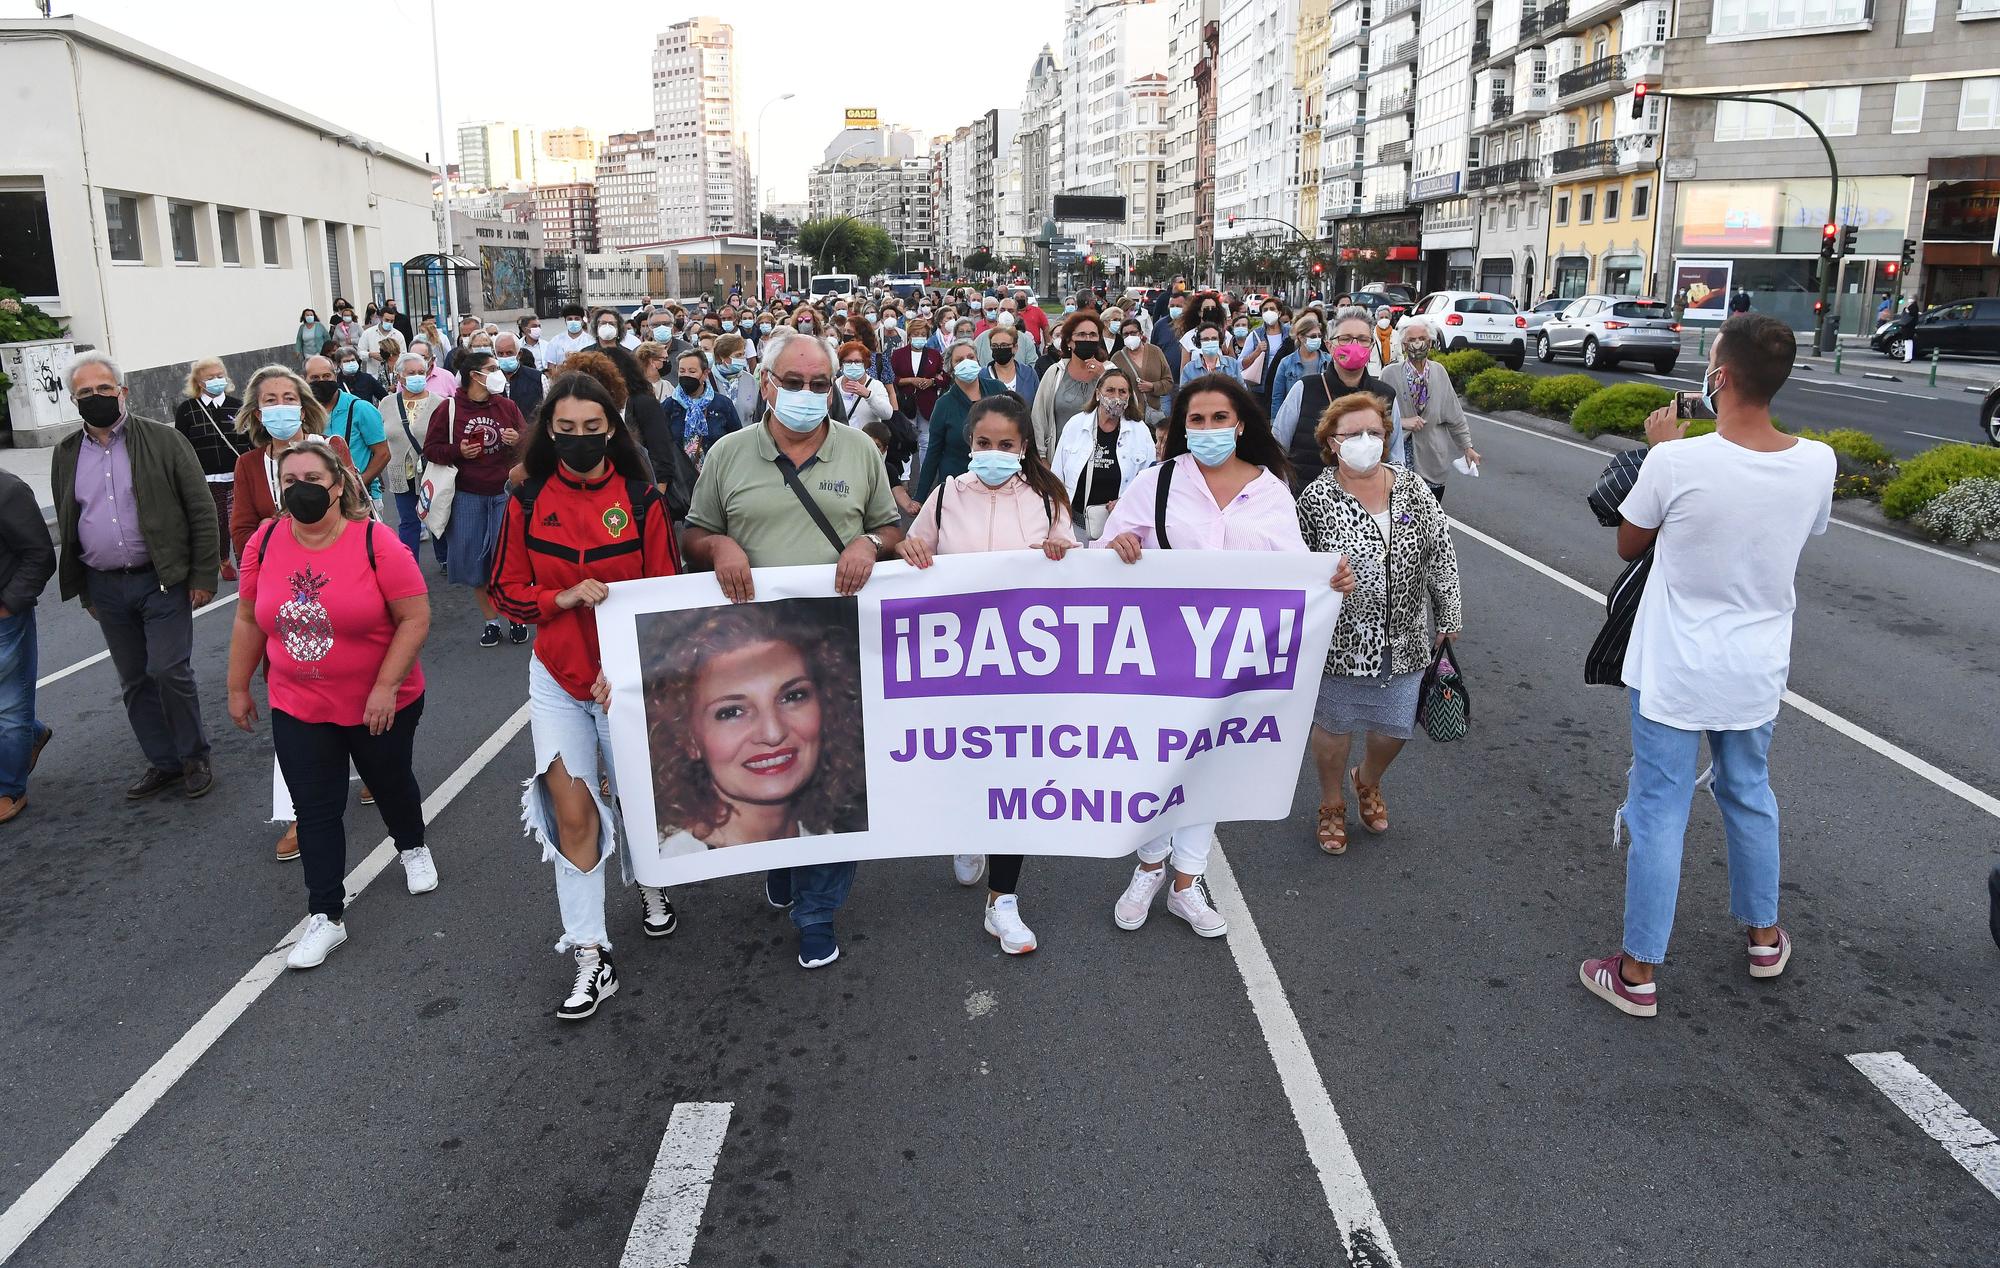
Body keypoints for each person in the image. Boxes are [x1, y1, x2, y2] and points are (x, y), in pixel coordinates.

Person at [1580, 313, 1834, 1018]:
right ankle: (1762, 936)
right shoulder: (1817, 462)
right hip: (1755, 667)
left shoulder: (1677, 460)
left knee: (1659, 810)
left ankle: (1636, 973)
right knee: (1748, 792)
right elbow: (1799, 528)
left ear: (1720, 377)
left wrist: (1660, 448)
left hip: (1674, 667)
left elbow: (1631, 544)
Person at [679, 329, 905, 969]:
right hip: (748, 656)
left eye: (819, 384)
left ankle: (816, 911)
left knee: (835, 785)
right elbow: (695, 533)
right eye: (794, 382)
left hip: (836, 650)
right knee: (773, 780)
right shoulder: (727, 455)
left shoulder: (860, 451)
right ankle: (780, 860)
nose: (807, 395)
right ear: (767, 381)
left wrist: (871, 545)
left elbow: (889, 527)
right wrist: (718, 547)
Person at [490, 372, 680, 1019]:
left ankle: (651, 880)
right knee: (571, 811)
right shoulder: (526, 499)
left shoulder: (641, 499)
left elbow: (665, 600)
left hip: (623, 682)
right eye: (564, 431)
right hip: (558, 680)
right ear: (548, 432)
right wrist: (560, 598)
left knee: (635, 798)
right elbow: (506, 590)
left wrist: (628, 670)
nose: (577, 442)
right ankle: (590, 953)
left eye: (590, 431)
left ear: (612, 432)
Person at [1098, 375, 1313, 939]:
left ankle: (1186, 884)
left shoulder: (1270, 490)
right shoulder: (1157, 483)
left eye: (1221, 419)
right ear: (1181, 427)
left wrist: (1330, 579)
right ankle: (1148, 866)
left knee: (1207, 765)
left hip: (1232, 662)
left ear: (1241, 424)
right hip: (1159, 654)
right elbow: (1105, 557)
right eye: (1197, 420)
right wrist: (1119, 547)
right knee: (1155, 762)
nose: (1210, 429)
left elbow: (1295, 574)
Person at [226, 438, 434, 969]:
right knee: (314, 809)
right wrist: (236, 685)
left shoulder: (376, 542)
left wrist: (386, 686)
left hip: (378, 702)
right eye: (290, 482)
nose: (301, 491)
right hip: (299, 702)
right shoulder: (266, 542)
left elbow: (414, 617)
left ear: (338, 487)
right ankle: (325, 916)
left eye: (313, 481)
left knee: (389, 782)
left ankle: (411, 844)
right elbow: (250, 617)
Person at [897, 394, 1076, 953]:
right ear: (968, 444)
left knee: (1014, 778)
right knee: (963, 762)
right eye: (983, 444)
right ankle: (966, 826)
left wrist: (1061, 549)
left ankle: (1004, 901)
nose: (994, 453)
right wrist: (909, 551)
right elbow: (912, 553)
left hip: (1024, 669)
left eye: (1006, 445)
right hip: (955, 667)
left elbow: (1078, 570)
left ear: (1024, 447)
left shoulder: (1046, 500)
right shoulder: (947, 496)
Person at [1295, 393, 1459, 855]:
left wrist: (1448, 615)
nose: (1365, 441)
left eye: (1375, 432)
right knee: (1333, 727)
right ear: (1331, 442)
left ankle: (1367, 779)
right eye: (1352, 434)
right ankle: (1331, 803)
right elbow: (1297, 564)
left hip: (1406, 636)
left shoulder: (1412, 488)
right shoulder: (1316, 497)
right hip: (1340, 640)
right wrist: (1326, 579)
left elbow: (1439, 553)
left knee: (1394, 730)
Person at [50, 351, 220, 799]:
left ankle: (193, 755)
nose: (96, 397)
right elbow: (70, 521)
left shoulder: (163, 440)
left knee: (168, 670)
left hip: (161, 578)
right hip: (105, 585)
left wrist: (203, 574)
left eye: (104, 389)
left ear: (123, 391)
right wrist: (82, 588)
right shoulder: (66, 453)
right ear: (74, 400)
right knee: (134, 680)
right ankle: (163, 762)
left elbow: (200, 508)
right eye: (85, 392)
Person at [423, 349, 526, 647]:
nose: (498, 373)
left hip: (504, 493)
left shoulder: (506, 405)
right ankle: (490, 621)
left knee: (507, 560)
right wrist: (458, 451)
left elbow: (527, 442)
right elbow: (431, 449)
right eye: (491, 367)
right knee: (475, 563)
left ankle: (515, 617)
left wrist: (518, 440)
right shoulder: (450, 408)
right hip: (466, 495)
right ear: (475, 376)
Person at [1275, 308, 1394, 491]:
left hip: (1367, 503)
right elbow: (1277, 448)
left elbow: (1396, 460)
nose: (1354, 345)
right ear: (1330, 346)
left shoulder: (1386, 396)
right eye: (1345, 339)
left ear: (1371, 347)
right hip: (1307, 502)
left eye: (1362, 339)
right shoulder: (1304, 389)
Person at [0, 465, 56, 824]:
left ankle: (9, 788)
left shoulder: (8, 490)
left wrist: (8, 607)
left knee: (9, 707)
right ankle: (32, 734)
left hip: (5, 621)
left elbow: (40, 555)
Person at [1052, 365, 1154, 544]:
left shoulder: (1140, 431)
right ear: (1098, 394)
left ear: (1129, 397)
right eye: (1110, 390)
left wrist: (1126, 501)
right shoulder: (1076, 425)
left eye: (1122, 392)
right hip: (1076, 527)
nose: (1116, 397)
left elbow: (1149, 483)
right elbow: (1057, 476)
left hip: (1121, 531)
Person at [1379, 323, 1479, 506]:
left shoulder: (1439, 372)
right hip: (1400, 460)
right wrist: (1402, 422)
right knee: (1402, 517)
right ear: (1403, 345)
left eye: (1422, 339)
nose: (1417, 344)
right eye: (1411, 340)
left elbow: (1454, 415)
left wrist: (1467, 447)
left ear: (1430, 343)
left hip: (1433, 459)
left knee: (1431, 518)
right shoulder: (1389, 374)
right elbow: (1375, 417)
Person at [173, 360, 246, 581]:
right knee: (218, 521)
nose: (217, 380)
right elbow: (181, 445)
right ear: (199, 382)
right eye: (210, 377)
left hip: (237, 475)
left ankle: (244, 562)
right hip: (206, 478)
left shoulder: (238, 405)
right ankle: (223, 559)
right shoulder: (187, 410)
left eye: (220, 375)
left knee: (239, 520)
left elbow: (250, 439)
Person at [382, 352, 446, 562]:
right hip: (401, 473)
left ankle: (444, 558)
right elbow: (380, 436)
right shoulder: (387, 403)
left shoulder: (440, 403)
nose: (416, 377)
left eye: (421, 372)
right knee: (408, 521)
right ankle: (409, 563)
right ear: (399, 376)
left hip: (432, 471)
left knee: (436, 517)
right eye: (411, 373)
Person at [914, 343, 999, 501]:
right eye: (959, 360)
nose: (966, 362)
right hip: (957, 486)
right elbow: (933, 452)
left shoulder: (998, 390)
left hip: (995, 483)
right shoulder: (944, 405)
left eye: (970, 357)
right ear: (950, 368)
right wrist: (919, 497)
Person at [304, 355, 390, 501]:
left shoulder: (360, 409)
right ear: (304, 380)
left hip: (360, 497)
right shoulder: (303, 413)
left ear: (335, 375)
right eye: (315, 378)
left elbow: (383, 454)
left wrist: (359, 484)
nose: (322, 382)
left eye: (326, 376)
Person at [1028, 311, 1111, 457]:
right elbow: (1039, 417)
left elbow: (1124, 408)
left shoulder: (1111, 371)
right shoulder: (1055, 373)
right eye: (1081, 335)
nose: (1087, 339)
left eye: (1092, 335)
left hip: (1101, 458)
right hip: (1061, 457)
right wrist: (1042, 457)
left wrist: (1104, 377)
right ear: (1069, 341)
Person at [666, 348, 742, 470]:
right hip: (680, 480)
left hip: (716, 474)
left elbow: (737, 442)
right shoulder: (669, 406)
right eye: (682, 371)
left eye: (692, 371)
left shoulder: (722, 404)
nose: (686, 375)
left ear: (705, 374)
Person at [1111, 315, 1172, 422]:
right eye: (1126, 334)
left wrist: (1153, 386)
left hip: (1155, 412)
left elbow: (1169, 382)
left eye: (1133, 333)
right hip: (1129, 416)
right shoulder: (1117, 359)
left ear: (1141, 334)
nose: (1130, 336)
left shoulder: (1155, 352)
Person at [837, 340, 896, 429]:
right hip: (840, 439)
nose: (853, 365)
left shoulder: (876, 385)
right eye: (848, 362)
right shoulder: (835, 385)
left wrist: (869, 396)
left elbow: (887, 414)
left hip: (866, 439)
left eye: (857, 361)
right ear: (841, 364)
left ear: (865, 364)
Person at [983, 324, 1040, 408]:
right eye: (994, 346)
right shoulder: (982, 376)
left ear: (1015, 347)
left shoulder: (1029, 374)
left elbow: (1037, 406)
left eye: (1004, 345)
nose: (999, 349)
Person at [496, 332, 544, 419]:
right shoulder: (490, 380)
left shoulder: (538, 378)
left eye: (509, 353)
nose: (505, 357)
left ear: (519, 354)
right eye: (500, 354)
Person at [713, 334, 758, 420]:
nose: (742, 358)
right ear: (722, 356)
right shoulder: (708, 379)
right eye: (738, 355)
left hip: (746, 431)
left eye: (743, 354)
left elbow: (756, 413)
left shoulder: (750, 379)